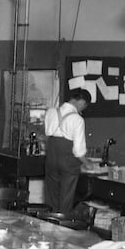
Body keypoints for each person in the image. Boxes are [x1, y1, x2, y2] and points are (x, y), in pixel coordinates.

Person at [44, 88, 91, 216]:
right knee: (66, 200)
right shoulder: (77, 119)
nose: (83, 109)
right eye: (85, 106)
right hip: (68, 163)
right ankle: (62, 229)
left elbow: (47, 134)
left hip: (51, 160)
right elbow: (78, 151)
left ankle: (49, 224)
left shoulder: (51, 112)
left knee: (51, 198)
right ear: (81, 102)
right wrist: (88, 164)